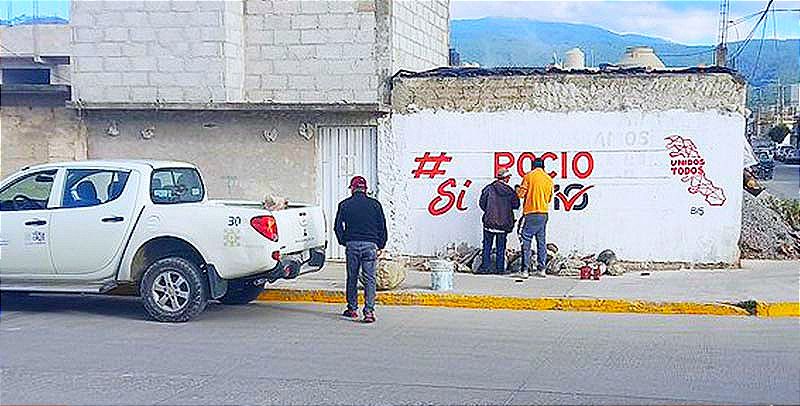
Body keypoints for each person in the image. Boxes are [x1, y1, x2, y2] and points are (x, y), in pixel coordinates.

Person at [334, 175, 387, 323]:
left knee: (352, 277)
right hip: (370, 245)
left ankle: (352, 309)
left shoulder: (344, 205)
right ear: (365, 189)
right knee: (370, 279)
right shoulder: (375, 205)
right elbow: (382, 226)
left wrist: (344, 241)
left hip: (352, 245)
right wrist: (381, 244)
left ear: (352, 189)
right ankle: (369, 312)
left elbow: (337, 227)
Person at [515, 157, 554, 278]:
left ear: (532, 166)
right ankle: (542, 269)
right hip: (543, 213)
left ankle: (525, 270)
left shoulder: (528, 177)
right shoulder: (549, 179)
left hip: (530, 212)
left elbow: (521, 195)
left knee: (526, 240)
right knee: (541, 241)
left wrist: (517, 189)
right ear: (543, 167)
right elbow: (549, 198)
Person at [478, 168, 520, 274]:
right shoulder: (510, 191)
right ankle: (500, 269)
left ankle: (485, 268)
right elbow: (516, 205)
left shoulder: (488, 189)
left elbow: (482, 204)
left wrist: (489, 213)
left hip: (489, 223)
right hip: (503, 225)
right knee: (501, 248)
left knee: (487, 246)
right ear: (506, 178)